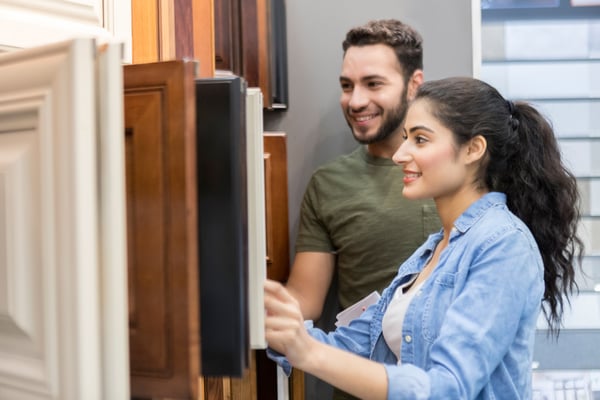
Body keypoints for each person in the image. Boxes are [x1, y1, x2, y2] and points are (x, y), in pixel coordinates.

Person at [265, 76, 584, 399]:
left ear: (473, 149)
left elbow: (448, 388)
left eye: (420, 139)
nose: (399, 154)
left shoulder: (503, 245)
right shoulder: (428, 255)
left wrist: (309, 353)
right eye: (405, 137)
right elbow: (347, 347)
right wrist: (271, 322)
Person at [285, 19, 439, 324]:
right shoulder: (328, 184)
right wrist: (250, 302)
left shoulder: (458, 168)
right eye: (347, 86)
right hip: (361, 366)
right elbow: (305, 299)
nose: (355, 101)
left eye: (373, 84)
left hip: (453, 366)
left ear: (414, 84)